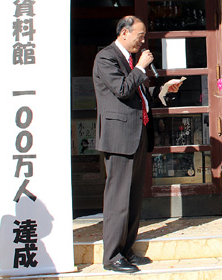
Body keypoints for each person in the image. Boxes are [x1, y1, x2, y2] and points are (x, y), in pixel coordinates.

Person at [93, 16, 182, 273]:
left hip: (138, 134)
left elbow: (139, 94)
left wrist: (163, 90)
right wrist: (141, 67)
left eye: (144, 36)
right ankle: (111, 257)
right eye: (140, 36)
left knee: (133, 199)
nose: (143, 41)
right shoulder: (106, 58)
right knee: (118, 199)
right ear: (123, 33)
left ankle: (126, 250)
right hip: (119, 137)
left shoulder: (132, 61)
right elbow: (122, 89)